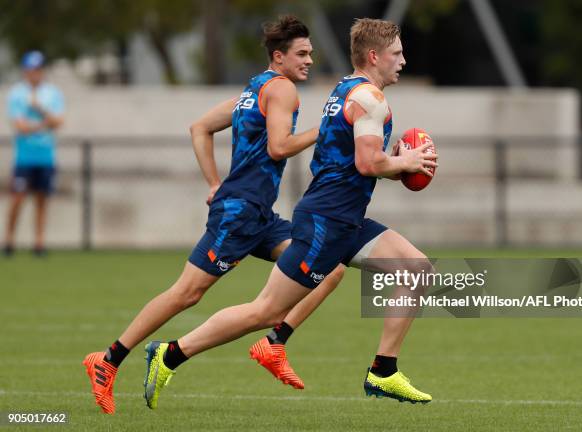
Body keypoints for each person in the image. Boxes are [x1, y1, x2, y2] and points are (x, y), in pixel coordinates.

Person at [144, 18, 438, 408]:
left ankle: (383, 371)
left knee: (416, 268)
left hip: (346, 219)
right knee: (266, 310)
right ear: (374, 56)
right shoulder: (371, 99)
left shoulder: (347, 90)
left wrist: (398, 161)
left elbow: (355, 161)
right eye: (397, 53)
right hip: (326, 222)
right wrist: (408, 162)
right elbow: (368, 164)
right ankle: (170, 354)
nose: (402, 60)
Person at [83, 15, 344, 415]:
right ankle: (110, 359)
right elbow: (279, 147)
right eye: (303, 53)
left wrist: (212, 182)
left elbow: (199, 127)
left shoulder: (254, 88)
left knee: (330, 267)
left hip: (259, 215)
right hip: (239, 213)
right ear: (279, 56)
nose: (310, 60)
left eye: (311, 52)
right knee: (187, 293)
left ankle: (276, 342)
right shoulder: (283, 90)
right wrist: (325, 129)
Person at [4, 51, 64, 257]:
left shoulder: (52, 93)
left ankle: (39, 242)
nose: (34, 73)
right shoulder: (17, 93)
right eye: (31, 70)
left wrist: (39, 110)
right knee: (18, 198)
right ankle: (9, 239)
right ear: (25, 71)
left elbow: (58, 122)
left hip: (46, 155)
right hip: (24, 156)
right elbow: (20, 126)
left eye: (38, 69)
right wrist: (44, 124)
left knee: (41, 199)